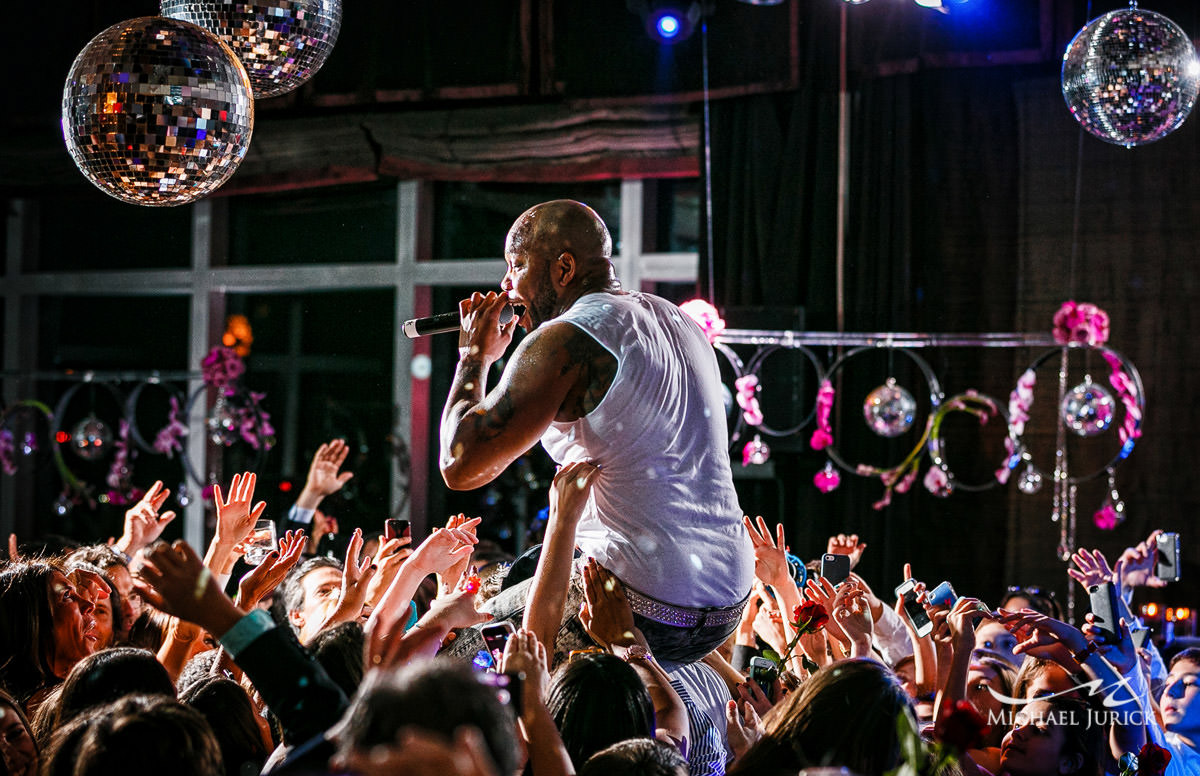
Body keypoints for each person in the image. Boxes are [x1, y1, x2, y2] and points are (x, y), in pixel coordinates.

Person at [438, 199, 752, 663]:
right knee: (506, 578)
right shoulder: (677, 318)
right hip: (728, 600)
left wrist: (474, 358)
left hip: (642, 604)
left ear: (563, 268)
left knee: (452, 663)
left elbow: (460, 467)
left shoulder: (566, 337)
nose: (506, 284)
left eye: (517, 265)